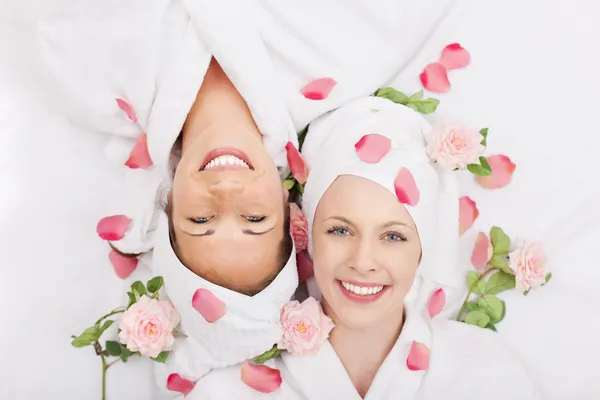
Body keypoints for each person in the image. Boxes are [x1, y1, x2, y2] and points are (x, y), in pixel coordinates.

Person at [186, 96, 539, 399]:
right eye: (340, 231)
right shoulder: (230, 392)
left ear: (422, 250)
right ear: (307, 235)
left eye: (394, 236)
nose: (363, 261)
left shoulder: (485, 376)